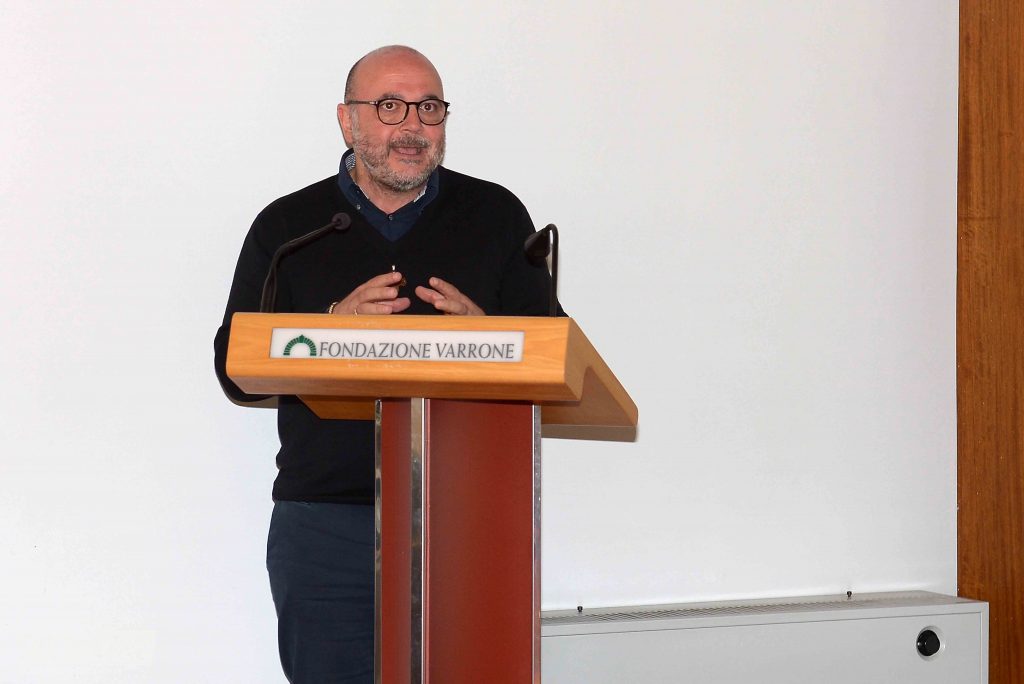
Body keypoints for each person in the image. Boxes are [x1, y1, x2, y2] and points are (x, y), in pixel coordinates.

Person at [213, 45, 556, 683]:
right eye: (390, 106)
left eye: (429, 108)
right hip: (326, 524)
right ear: (347, 121)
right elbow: (233, 366)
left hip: (466, 517)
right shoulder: (290, 228)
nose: (413, 126)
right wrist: (328, 329)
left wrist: (489, 336)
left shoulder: (495, 216)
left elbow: (553, 356)